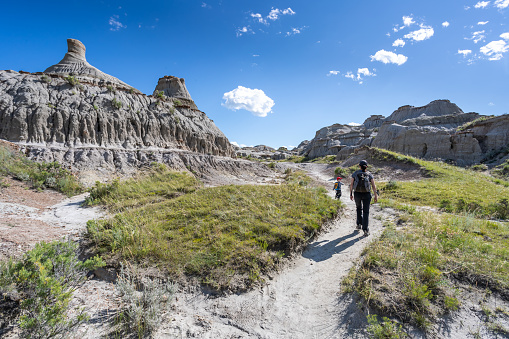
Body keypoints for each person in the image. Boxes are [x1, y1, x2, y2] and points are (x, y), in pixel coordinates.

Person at [350, 160, 378, 237]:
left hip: (357, 194)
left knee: (358, 208)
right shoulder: (369, 174)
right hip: (367, 194)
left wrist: (351, 194)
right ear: (366, 166)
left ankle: (359, 224)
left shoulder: (355, 173)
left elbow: (351, 184)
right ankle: (365, 229)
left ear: (359, 166)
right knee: (366, 212)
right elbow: (373, 186)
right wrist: (376, 195)